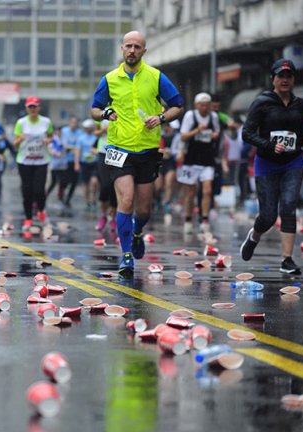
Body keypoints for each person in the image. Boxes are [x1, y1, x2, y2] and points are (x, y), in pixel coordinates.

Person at [90, 30, 184, 277]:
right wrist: (105, 113)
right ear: (122, 48)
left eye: (137, 47)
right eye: (128, 46)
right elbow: (94, 109)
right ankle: (126, 255)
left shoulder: (156, 77)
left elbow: (178, 105)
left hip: (148, 150)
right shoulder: (109, 79)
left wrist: (161, 117)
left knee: (143, 210)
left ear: (144, 50)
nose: (132, 50)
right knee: (126, 201)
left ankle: (138, 232)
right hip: (118, 148)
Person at [240, 59, 303, 274]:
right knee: (268, 216)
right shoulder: (262, 102)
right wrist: (269, 145)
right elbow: (247, 133)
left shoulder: (299, 104)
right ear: (273, 79)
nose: (285, 80)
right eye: (280, 76)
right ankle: (254, 236)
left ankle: (287, 260)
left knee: (289, 207)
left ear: (293, 79)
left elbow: (301, 133)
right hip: (266, 163)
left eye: (289, 76)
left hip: (293, 162)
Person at [177, 92, 221, 234]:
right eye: (202, 105)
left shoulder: (213, 117)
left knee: (207, 190)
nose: (204, 108)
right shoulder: (190, 116)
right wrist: (197, 130)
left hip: (207, 158)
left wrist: (214, 135)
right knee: (191, 191)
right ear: (197, 105)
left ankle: (205, 219)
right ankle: (189, 219)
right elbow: (183, 136)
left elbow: (217, 131)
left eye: (207, 105)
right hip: (192, 158)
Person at [13, 96, 54, 230]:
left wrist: (48, 141)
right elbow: (15, 143)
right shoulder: (21, 123)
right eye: (30, 107)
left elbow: (50, 136)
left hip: (41, 161)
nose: (32, 109)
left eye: (35, 107)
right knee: (27, 191)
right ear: (26, 108)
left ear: (39, 108)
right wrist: (20, 139)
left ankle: (41, 210)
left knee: (39, 189)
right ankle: (28, 218)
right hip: (24, 161)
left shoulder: (46, 122)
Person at [155, 120, 181, 219]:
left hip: (171, 163)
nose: (167, 128)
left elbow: (180, 149)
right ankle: (157, 200)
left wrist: (172, 153)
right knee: (158, 185)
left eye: (169, 126)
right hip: (160, 163)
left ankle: (167, 203)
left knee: (169, 183)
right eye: (165, 126)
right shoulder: (159, 136)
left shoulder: (176, 137)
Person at [59, 116, 82, 208]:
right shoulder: (64, 131)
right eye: (72, 122)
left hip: (76, 160)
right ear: (69, 122)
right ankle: (61, 195)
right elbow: (62, 144)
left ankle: (68, 199)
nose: (74, 124)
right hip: (64, 160)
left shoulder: (80, 133)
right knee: (64, 181)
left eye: (75, 122)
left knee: (74, 182)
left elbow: (79, 146)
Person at [76, 118, 99, 209]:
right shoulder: (81, 138)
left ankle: (93, 199)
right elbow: (77, 150)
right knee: (85, 184)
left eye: (89, 127)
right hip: (84, 163)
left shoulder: (96, 137)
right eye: (85, 128)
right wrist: (76, 163)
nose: (87, 129)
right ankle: (87, 200)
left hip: (95, 163)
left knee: (94, 182)